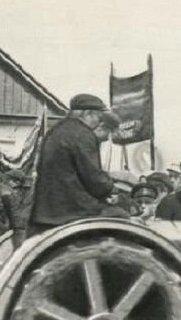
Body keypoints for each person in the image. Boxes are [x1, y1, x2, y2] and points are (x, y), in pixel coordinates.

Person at [29, 94, 116, 236]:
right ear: (88, 114)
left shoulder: (55, 131)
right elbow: (94, 178)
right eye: (99, 118)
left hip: (45, 210)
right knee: (123, 214)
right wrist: (111, 188)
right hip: (73, 209)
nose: (99, 122)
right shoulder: (83, 134)